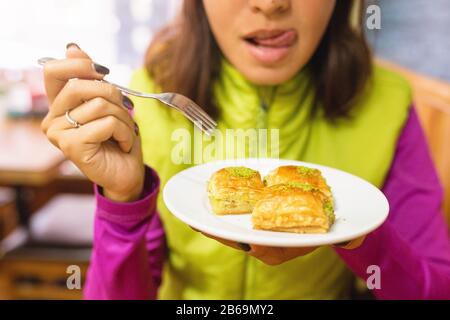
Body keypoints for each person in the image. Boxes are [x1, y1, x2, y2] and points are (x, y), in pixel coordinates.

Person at [40, 0, 450, 299]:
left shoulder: (388, 105)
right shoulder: (148, 98)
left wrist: (359, 238)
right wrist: (123, 203)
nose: (270, 5)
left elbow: (434, 288)